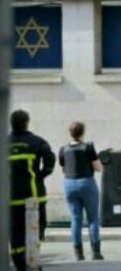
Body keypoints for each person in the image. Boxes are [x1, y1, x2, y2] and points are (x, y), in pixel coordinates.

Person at [8, 109, 56, 271]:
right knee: (38, 226)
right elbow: (50, 158)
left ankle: (19, 262)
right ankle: (32, 256)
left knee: (15, 230)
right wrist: (41, 175)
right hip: (34, 195)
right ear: (26, 122)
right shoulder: (37, 141)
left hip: (11, 197)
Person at [58, 122, 104, 261]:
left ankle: (78, 253)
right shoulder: (88, 147)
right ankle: (95, 252)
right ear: (82, 133)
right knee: (93, 219)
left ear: (70, 133)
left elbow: (64, 168)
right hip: (86, 183)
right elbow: (98, 168)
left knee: (75, 219)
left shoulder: (63, 149)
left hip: (69, 184)